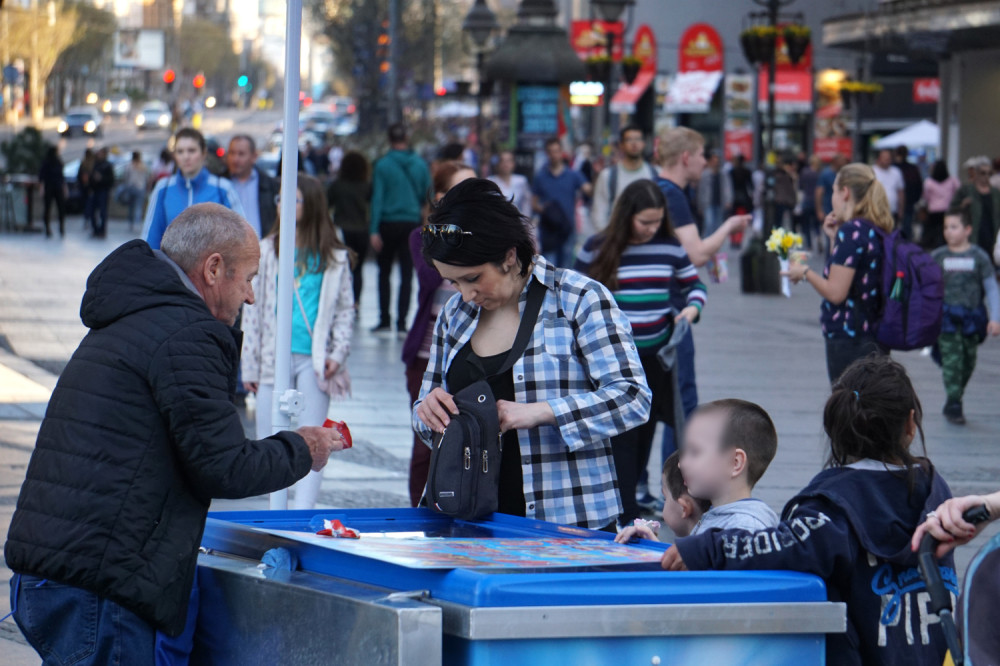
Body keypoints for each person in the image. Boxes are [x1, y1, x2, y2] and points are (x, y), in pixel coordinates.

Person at [5, 203, 345, 663]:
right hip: (100, 586)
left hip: (59, 572)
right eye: (249, 278)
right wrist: (303, 448)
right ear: (213, 268)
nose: (249, 297)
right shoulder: (186, 332)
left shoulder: (136, 311)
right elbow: (224, 467)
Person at [663, 356, 956, 666]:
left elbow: (775, 545)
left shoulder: (830, 508)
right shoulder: (937, 493)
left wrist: (708, 547)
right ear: (911, 424)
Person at [412, 178, 651, 530]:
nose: (465, 294)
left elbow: (633, 398)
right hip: (466, 520)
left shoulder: (578, 299)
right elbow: (422, 413)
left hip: (566, 522)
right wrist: (426, 412)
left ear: (510, 256)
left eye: (473, 278)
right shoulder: (455, 315)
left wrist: (542, 412)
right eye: (454, 282)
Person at [575, 179, 706, 525]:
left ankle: (629, 501)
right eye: (643, 222)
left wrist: (691, 310)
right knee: (621, 437)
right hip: (614, 363)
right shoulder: (598, 248)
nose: (650, 229)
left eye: (656, 221)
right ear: (626, 216)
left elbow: (695, 285)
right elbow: (570, 295)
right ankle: (624, 510)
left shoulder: (670, 248)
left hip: (657, 358)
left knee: (646, 431)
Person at [241, 174, 356, 510]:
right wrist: (248, 363)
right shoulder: (266, 250)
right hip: (271, 359)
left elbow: (346, 309)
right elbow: (252, 309)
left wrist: (338, 353)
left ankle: (303, 514)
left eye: (293, 199)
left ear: (312, 204)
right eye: (280, 200)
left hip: (314, 360)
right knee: (267, 440)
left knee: (315, 440)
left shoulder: (333, 256)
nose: (283, 205)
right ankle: (276, 514)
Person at [654, 127, 751, 482]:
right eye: (700, 155)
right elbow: (694, 252)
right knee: (681, 402)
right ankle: (677, 483)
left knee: (664, 400)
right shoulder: (673, 195)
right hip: (673, 307)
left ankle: (659, 481)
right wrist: (729, 226)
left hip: (655, 303)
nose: (704, 162)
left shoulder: (654, 189)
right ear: (684, 158)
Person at [402, 161, 474, 507]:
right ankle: (420, 508)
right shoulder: (422, 237)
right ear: (442, 197)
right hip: (426, 353)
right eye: (464, 190)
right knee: (424, 442)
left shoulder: (486, 240)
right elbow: (430, 279)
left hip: (471, 354)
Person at [784, 163, 892, 383]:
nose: (832, 196)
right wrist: (833, 238)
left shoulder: (852, 232)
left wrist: (805, 272)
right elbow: (852, 274)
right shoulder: (873, 229)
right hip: (873, 333)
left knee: (848, 408)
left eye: (834, 190)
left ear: (845, 193)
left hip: (849, 336)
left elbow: (836, 292)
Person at [618, 399, 778, 541]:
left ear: (735, 463)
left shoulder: (745, 528)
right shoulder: (719, 517)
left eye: (695, 452)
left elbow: (713, 575)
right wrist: (653, 545)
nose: (681, 464)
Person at [931, 214, 1000, 425]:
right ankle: (954, 403)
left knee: (968, 361)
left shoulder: (979, 256)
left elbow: (991, 287)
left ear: (968, 229)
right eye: (946, 227)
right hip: (946, 318)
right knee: (953, 360)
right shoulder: (938, 256)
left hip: (973, 317)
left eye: (954, 226)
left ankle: (956, 393)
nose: (948, 231)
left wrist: (995, 317)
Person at [369, 123, 432, 334]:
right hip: (411, 224)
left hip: (387, 223)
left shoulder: (382, 165)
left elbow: (377, 198)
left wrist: (373, 230)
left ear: (389, 139)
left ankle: (384, 319)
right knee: (407, 273)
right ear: (407, 137)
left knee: (384, 272)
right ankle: (402, 322)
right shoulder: (420, 165)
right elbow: (428, 197)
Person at [142, 128, 244, 250]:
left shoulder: (223, 189)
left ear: (203, 153)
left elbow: (241, 237)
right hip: (170, 268)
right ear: (174, 155)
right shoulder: (163, 188)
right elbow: (151, 237)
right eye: (180, 151)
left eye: (191, 150)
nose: (186, 157)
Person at [531, 137, 592, 267]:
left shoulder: (573, 175)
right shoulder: (540, 176)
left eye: (556, 151)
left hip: (567, 228)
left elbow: (589, 190)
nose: (554, 155)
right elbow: (534, 203)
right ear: (547, 154)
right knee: (548, 268)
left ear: (561, 152)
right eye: (550, 151)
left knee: (566, 268)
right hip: (548, 231)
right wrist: (546, 210)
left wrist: (596, 173)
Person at [590, 125, 659, 233]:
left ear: (643, 143)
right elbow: (599, 212)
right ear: (621, 145)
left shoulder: (656, 174)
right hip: (617, 241)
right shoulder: (608, 176)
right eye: (629, 139)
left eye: (638, 139)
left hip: (650, 239)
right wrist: (609, 240)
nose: (634, 143)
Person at [327, 150, 372, 308]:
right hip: (361, 230)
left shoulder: (338, 185)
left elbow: (326, 204)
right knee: (358, 269)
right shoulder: (366, 186)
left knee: (341, 268)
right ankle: (356, 302)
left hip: (342, 231)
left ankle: (341, 301)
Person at [225, 134, 279, 239]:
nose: (235, 159)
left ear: (254, 157)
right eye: (232, 153)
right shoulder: (219, 184)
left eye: (241, 154)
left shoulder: (271, 186)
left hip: (263, 249)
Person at [948, 157, 1000, 262]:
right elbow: (951, 211)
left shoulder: (995, 193)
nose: (986, 177)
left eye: (989, 174)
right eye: (983, 173)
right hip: (973, 235)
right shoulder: (966, 190)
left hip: (992, 234)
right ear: (975, 173)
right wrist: (962, 205)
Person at [921, 160, 960, 250]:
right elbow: (958, 192)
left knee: (934, 232)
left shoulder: (929, 182)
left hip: (933, 210)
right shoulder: (952, 181)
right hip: (947, 210)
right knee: (946, 231)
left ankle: (935, 248)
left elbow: (926, 197)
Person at [696, 151, 734, 237]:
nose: (716, 163)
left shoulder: (723, 174)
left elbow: (727, 188)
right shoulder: (705, 174)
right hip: (708, 203)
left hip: (720, 202)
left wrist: (728, 200)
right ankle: (706, 243)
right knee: (709, 224)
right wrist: (700, 205)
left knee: (718, 225)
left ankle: (714, 245)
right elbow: (701, 191)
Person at [488, 149, 531, 219]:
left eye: (508, 161)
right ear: (498, 164)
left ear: (513, 164)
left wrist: (526, 220)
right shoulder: (490, 181)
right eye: (502, 161)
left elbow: (526, 204)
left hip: (517, 222)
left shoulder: (521, 181)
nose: (506, 164)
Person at [38, 146, 66, 238]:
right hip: (51, 187)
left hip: (54, 187)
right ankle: (50, 228)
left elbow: (61, 177)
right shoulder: (49, 162)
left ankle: (59, 228)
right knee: (50, 209)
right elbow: (42, 176)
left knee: (58, 208)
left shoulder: (56, 162)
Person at [895, 146, 923, 239]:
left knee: (895, 226)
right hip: (909, 201)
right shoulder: (912, 168)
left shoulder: (894, 168)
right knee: (907, 226)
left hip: (902, 201)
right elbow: (919, 185)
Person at [872, 148, 905, 225]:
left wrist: (901, 209)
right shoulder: (872, 171)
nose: (887, 161)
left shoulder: (896, 172)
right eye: (885, 158)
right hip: (876, 211)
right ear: (879, 158)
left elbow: (900, 192)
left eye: (889, 159)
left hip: (892, 210)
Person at [795, 155, 820, 250]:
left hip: (806, 200)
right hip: (817, 201)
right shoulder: (818, 174)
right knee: (816, 223)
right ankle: (818, 236)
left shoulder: (804, 172)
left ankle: (809, 244)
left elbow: (800, 187)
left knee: (806, 224)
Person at [122, 151, 150, 231]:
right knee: (138, 207)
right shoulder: (143, 166)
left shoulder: (129, 166)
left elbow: (126, 177)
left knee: (131, 207)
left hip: (131, 187)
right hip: (140, 188)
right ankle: (137, 224)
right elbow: (147, 177)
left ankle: (131, 223)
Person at [78, 148, 96, 231]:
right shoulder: (90, 164)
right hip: (89, 188)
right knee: (90, 205)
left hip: (85, 188)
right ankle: (89, 220)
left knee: (87, 205)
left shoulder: (84, 163)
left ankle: (87, 219)